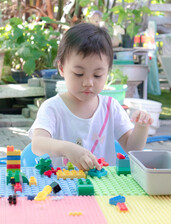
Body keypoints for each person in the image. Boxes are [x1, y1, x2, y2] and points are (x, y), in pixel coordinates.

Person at [28, 23, 153, 171]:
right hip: (64, 188)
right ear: (62, 68)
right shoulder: (52, 108)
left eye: (97, 75)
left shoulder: (110, 107)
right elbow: (37, 144)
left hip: (105, 189)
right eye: (79, 74)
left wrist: (141, 127)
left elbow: (132, 148)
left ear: (107, 72)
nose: (88, 82)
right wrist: (68, 149)